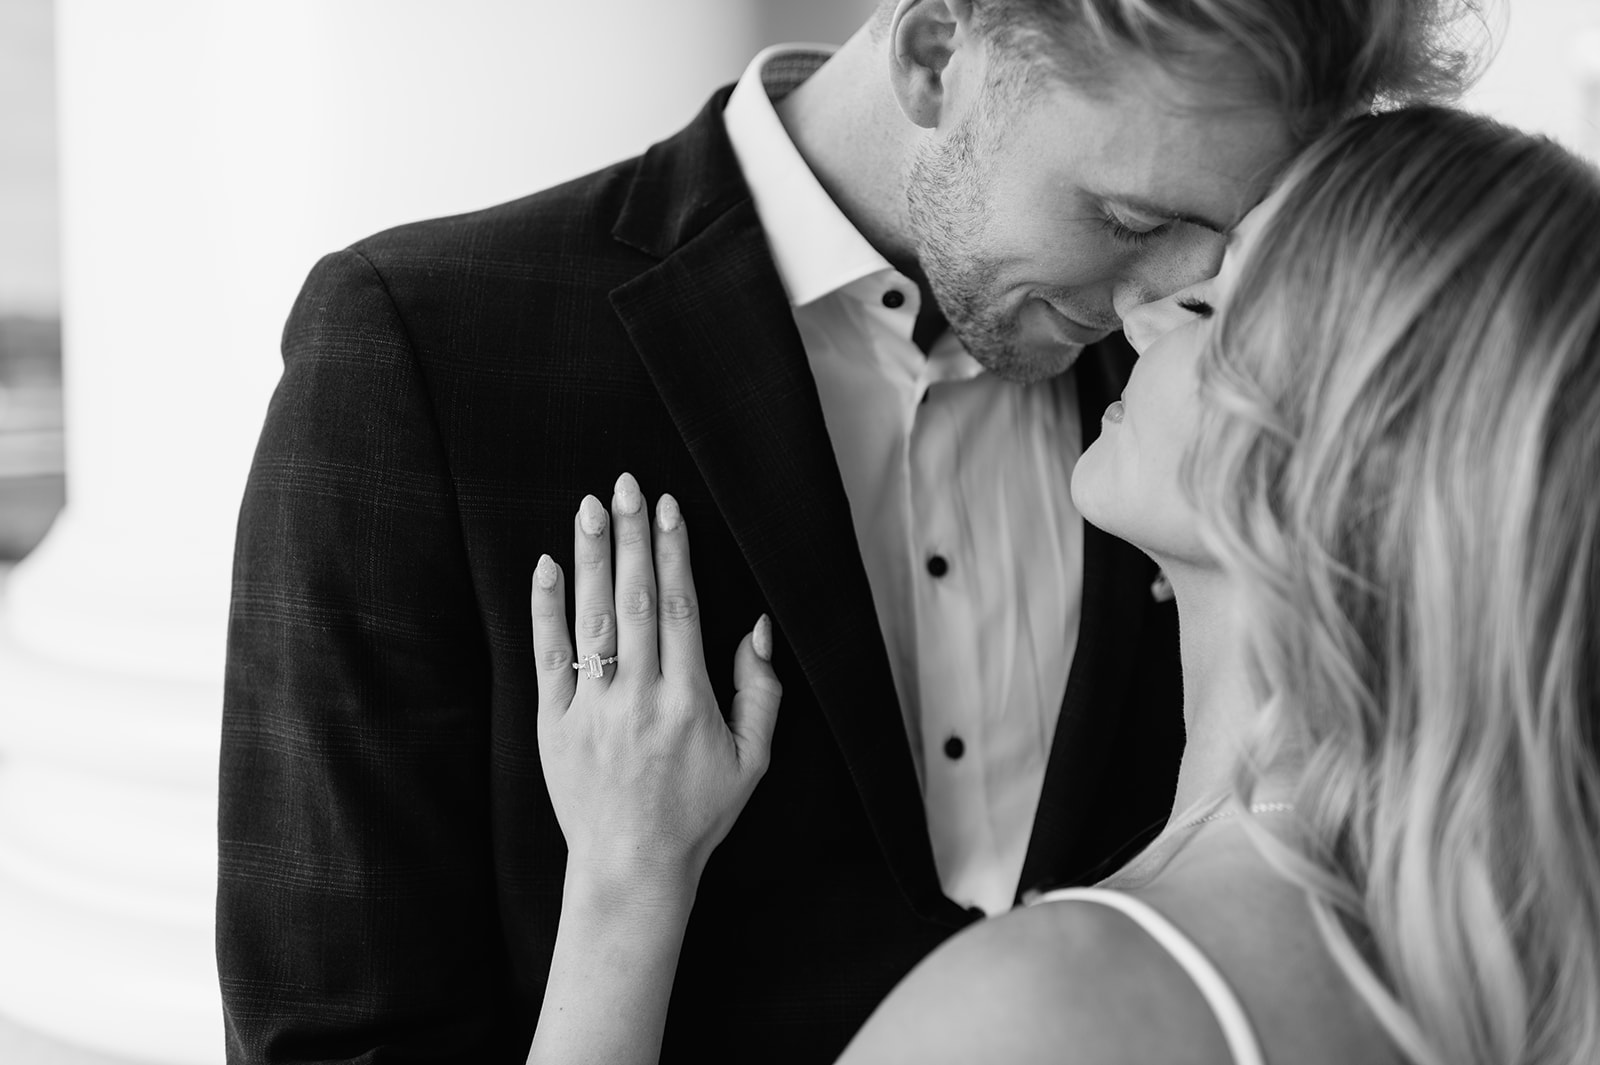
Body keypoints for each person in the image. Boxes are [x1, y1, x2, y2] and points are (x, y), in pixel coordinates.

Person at [218, 2, 1476, 1061]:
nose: (1159, 301)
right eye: (1132, 223)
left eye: (1226, 239)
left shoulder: (1196, 418)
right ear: (937, 56)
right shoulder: (426, 354)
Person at [527, 104, 1600, 1065]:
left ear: (1335, 453)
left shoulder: (1050, 1008)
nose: (1137, 317)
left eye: (1207, 310)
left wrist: (628, 882)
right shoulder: (1511, 960)